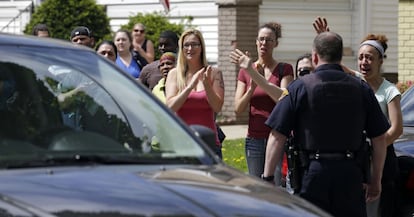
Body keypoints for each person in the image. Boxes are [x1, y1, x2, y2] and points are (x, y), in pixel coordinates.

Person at [260, 31, 389, 217]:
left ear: (314, 57)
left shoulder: (298, 88)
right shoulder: (361, 88)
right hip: (350, 174)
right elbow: (379, 138)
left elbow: (277, 135)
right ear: (340, 56)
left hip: (312, 174)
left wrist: (268, 177)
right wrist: (376, 180)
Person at [314, 17, 403, 217]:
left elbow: (396, 129)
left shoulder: (389, 91)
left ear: (381, 60)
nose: (364, 62)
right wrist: (324, 38)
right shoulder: (356, 82)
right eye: (361, 57)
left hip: (381, 160)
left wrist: (374, 147)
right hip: (356, 160)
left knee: (378, 209)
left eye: (370, 58)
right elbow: (334, 64)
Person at [230, 22, 294, 181]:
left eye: (269, 40)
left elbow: (283, 99)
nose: (264, 43)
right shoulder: (245, 71)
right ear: (256, 42)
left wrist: (256, 75)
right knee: (257, 188)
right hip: (254, 139)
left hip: (277, 138)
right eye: (261, 39)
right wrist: (251, 89)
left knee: (276, 187)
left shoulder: (284, 69)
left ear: (276, 44)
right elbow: (238, 109)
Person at [165, 28, 225, 158]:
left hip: (209, 145)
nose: (190, 48)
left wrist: (207, 85)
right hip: (181, 144)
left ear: (201, 47)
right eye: (186, 45)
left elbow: (217, 107)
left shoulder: (214, 73)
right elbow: (170, 107)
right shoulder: (174, 74)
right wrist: (189, 87)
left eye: (194, 44)